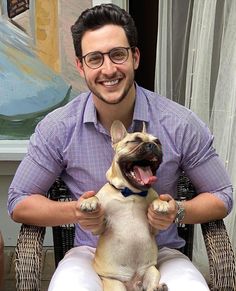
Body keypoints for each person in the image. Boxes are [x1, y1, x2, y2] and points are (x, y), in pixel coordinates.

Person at [8, 3, 233, 291]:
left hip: (160, 255)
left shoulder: (179, 123)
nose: (108, 69)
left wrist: (176, 210)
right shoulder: (58, 128)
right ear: (81, 66)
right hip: (92, 254)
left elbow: (222, 195)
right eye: (95, 59)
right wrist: (78, 212)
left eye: (117, 55)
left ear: (135, 57)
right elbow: (19, 200)